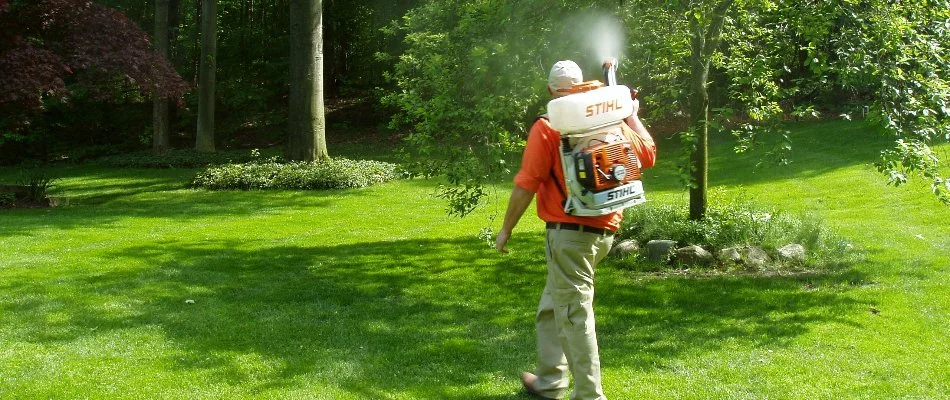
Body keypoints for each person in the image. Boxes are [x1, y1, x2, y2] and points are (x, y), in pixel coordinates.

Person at [495, 60, 656, 400]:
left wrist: (506, 228)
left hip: (569, 234)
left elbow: (527, 183)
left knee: (575, 314)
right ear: (583, 85)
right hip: (604, 232)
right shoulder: (609, 116)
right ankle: (549, 381)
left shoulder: (549, 124)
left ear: (551, 90)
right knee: (554, 305)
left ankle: (589, 395)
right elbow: (648, 155)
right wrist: (632, 114)